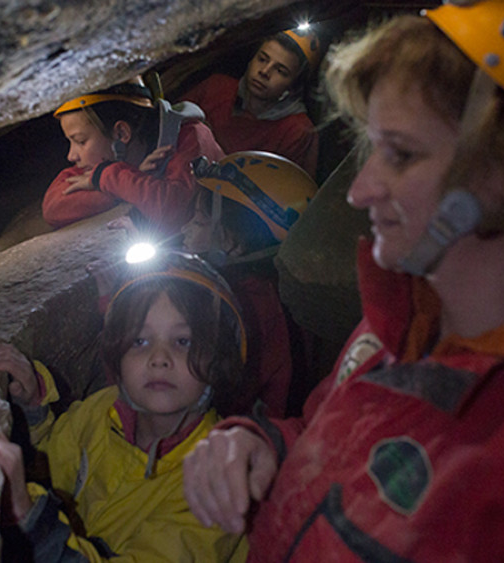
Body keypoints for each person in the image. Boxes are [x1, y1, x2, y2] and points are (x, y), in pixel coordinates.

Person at [182, 2, 504, 561]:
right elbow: (341, 449)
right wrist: (265, 448)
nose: (359, 192)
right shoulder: (396, 326)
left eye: (401, 154)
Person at [0, 251, 249, 562]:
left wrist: (32, 518)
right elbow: (51, 464)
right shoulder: (102, 412)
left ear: (218, 360)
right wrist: (34, 406)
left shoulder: (219, 481)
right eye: (139, 341)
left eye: (183, 341)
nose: (159, 358)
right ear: (116, 355)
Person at [182, 150, 318, 416]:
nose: (185, 229)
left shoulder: (236, 307)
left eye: (198, 221)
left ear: (235, 244)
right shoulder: (272, 290)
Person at [42, 80, 224, 237]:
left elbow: (173, 211)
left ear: (121, 134)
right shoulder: (100, 163)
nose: (71, 155)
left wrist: (109, 177)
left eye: (80, 141)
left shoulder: (189, 137)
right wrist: (123, 183)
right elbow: (53, 207)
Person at [180, 27, 321, 177]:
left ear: (294, 87)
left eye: (280, 71)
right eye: (262, 59)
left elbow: (287, 193)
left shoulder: (298, 131)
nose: (265, 72)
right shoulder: (216, 87)